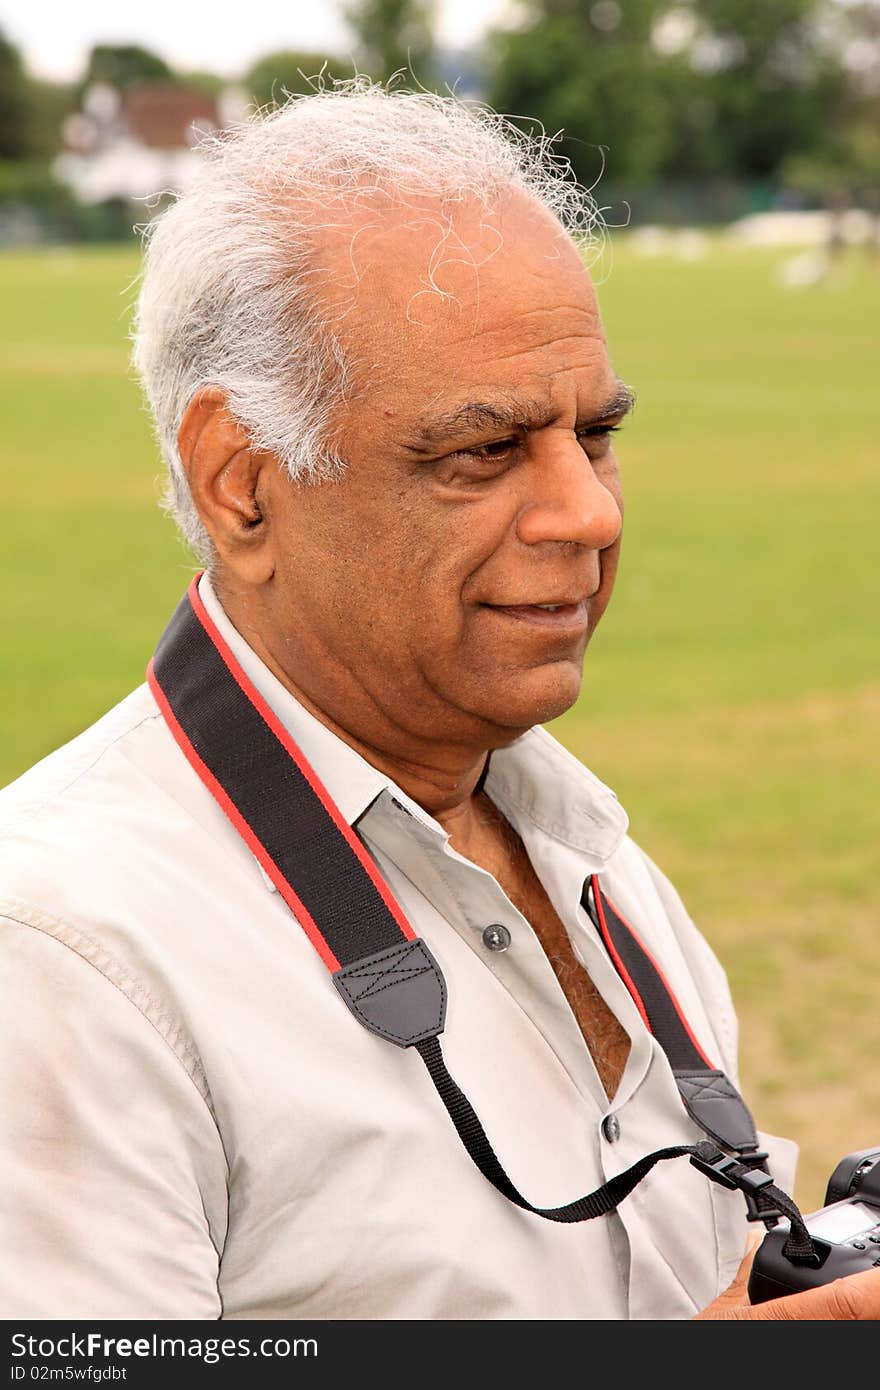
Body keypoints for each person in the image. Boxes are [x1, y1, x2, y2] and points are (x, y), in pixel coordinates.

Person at [2, 83, 878, 1323]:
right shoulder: (58, 954)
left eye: (595, 433)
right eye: (483, 450)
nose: (589, 513)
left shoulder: (597, 864)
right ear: (241, 483)